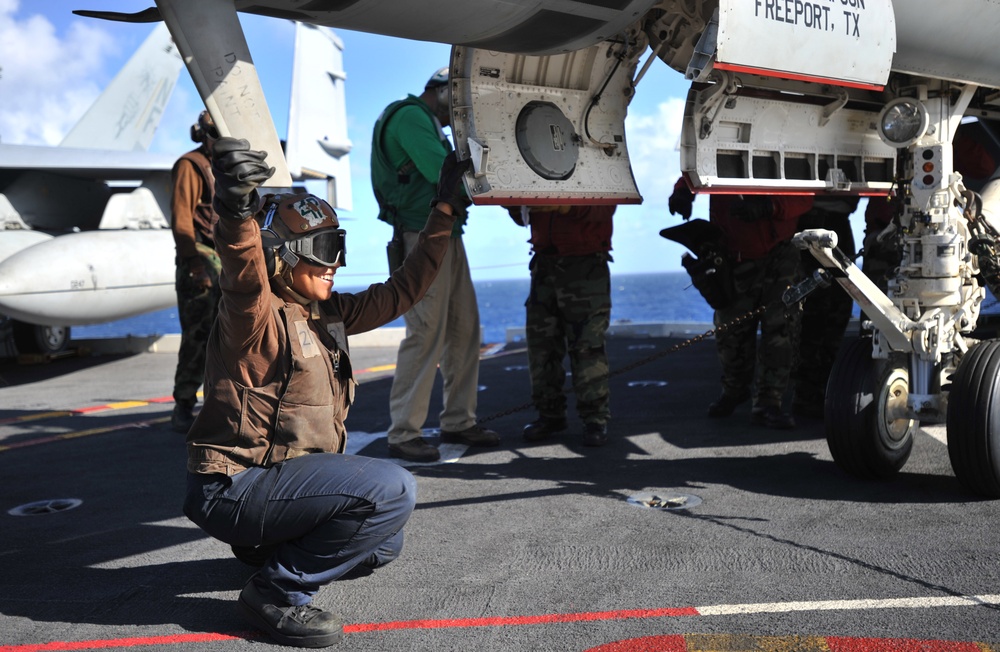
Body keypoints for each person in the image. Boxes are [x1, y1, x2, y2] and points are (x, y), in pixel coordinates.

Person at [182, 137, 472, 648]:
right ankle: (274, 590)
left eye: (337, 245)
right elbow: (242, 270)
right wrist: (235, 209)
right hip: (234, 488)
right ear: (283, 258)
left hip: (278, 486)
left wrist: (443, 209)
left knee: (385, 542)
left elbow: (405, 289)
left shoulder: (329, 313)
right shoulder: (253, 317)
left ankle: (267, 549)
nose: (334, 261)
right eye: (322, 250)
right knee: (392, 489)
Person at [370, 67, 499, 462]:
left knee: (464, 329)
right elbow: (442, 173)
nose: (462, 111)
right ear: (443, 93)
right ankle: (404, 432)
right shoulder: (410, 116)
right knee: (425, 331)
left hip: (444, 235)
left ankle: (459, 420)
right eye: (458, 100)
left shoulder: (425, 120)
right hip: (421, 237)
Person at [669, 179, 812, 429]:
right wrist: (682, 192)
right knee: (729, 330)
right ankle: (735, 389)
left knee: (779, 330)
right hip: (732, 254)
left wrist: (769, 206)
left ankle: (768, 402)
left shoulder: (788, 148)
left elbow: (805, 195)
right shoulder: (721, 144)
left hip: (779, 254)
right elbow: (697, 168)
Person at [505, 204, 615, 446]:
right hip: (545, 265)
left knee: (588, 347)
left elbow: (604, 208)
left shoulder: (597, 166)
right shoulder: (536, 169)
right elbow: (522, 219)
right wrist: (512, 203)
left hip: (585, 265)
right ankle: (550, 414)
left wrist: (566, 207)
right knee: (541, 347)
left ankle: (595, 419)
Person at [169, 110, 221, 433]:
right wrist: (194, 263)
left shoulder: (223, 167)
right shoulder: (191, 166)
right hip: (200, 259)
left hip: (220, 259)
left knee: (223, 335)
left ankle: (215, 404)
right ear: (204, 134)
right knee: (198, 336)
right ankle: (183, 405)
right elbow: (182, 220)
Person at [791, 196, 859, 418]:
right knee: (812, 314)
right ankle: (806, 393)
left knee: (838, 308)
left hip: (838, 222)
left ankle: (825, 390)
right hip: (810, 220)